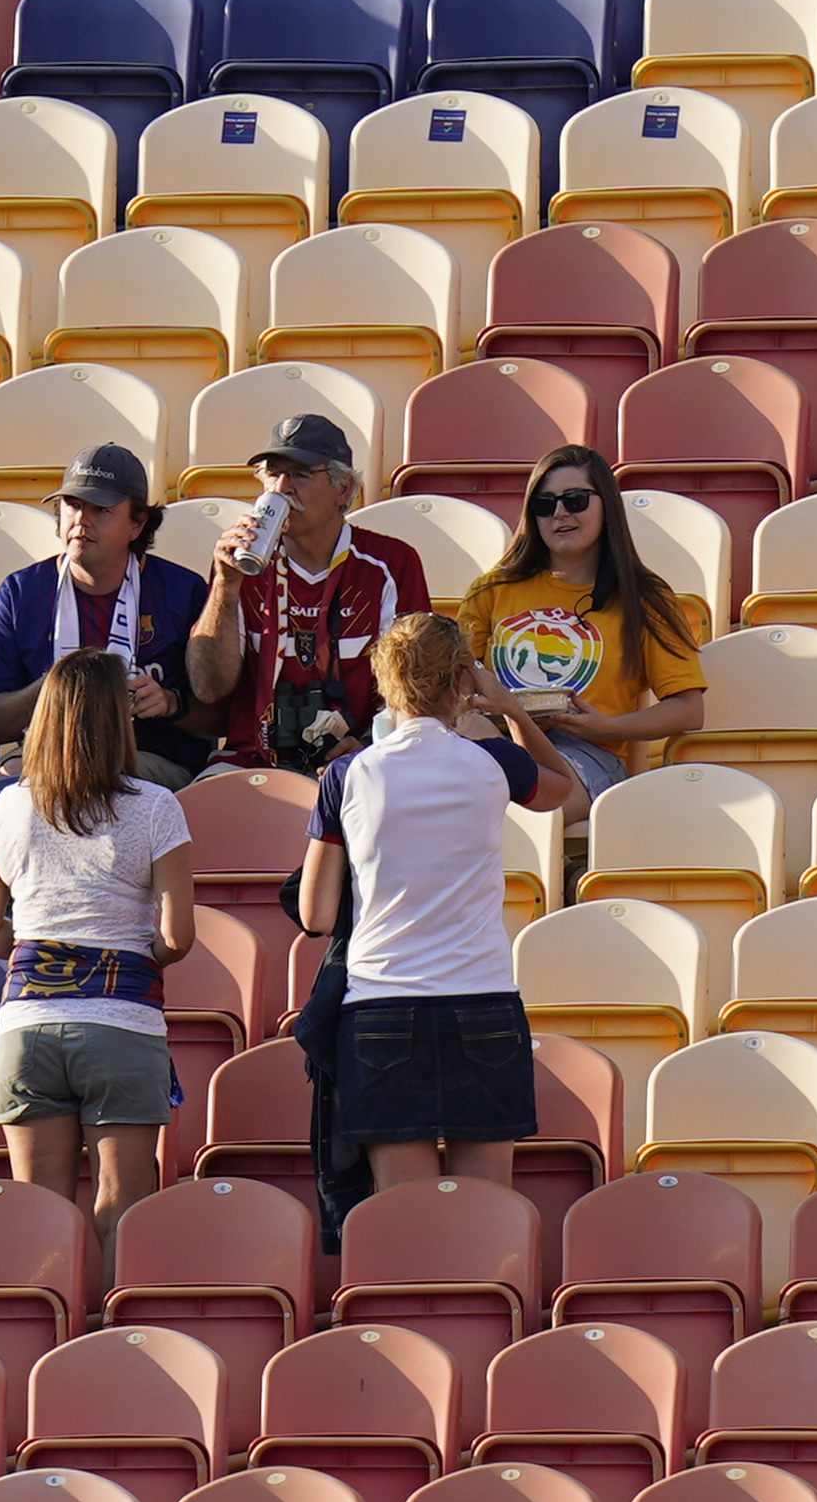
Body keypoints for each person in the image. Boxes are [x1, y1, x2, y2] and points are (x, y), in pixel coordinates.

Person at [293, 613, 582, 1192]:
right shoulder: (496, 761)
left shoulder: (347, 775)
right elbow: (564, 788)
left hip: (380, 1005)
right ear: (461, 684)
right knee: (487, 1206)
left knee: (406, 1213)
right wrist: (512, 711)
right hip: (482, 1001)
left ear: (385, 685)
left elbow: (315, 915)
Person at [0, 649, 197, 1261]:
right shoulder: (156, 806)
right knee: (121, 1208)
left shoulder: (9, 804)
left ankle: (50, 1348)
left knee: (43, 1217)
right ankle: (114, 1345)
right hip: (121, 1023)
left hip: (28, 1025)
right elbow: (176, 937)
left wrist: (46, 952)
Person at [185, 412, 434, 772]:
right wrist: (226, 584)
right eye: (272, 474)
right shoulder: (240, 565)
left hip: (360, 760)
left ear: (344, 489)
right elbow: (208, 688)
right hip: (250, 762)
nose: (281, 488)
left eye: (300, 474)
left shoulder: (389, 563)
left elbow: (417, 689)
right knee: (204, 809)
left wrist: (369, 745)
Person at [458, 444, 707, 798]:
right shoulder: (493, 589)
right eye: (544, 504)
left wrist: (606, 728)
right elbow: (455, 677)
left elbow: (688, 710)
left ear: (607, 508)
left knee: (512, 793)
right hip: (498, 740)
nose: (559, 513)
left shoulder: (642, 596)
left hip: (588, 754)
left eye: (575, 499)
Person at [0, 442, 214, 787]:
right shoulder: (21, 592)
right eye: (72, 504)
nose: (81, 520)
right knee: (7, 779)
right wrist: (55, 686)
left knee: (98, 775)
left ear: (137, 525)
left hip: (149, 757)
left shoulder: (184, 591)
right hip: (47, 751)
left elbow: (220, 718)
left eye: (101, 509)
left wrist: (170, 702)